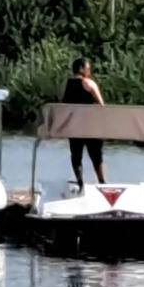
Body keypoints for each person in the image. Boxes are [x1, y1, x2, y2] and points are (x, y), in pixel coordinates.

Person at [61, 56, 105, 188]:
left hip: (74, 126)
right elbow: (101, 105)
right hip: (90, 125)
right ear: (81, 69)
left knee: (76, 155)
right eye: (88, 68)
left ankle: (80, 183)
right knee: (96, 156)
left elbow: (63, 104)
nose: (89, 71)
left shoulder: (67, 84)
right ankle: (102, 182)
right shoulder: (89, 83)